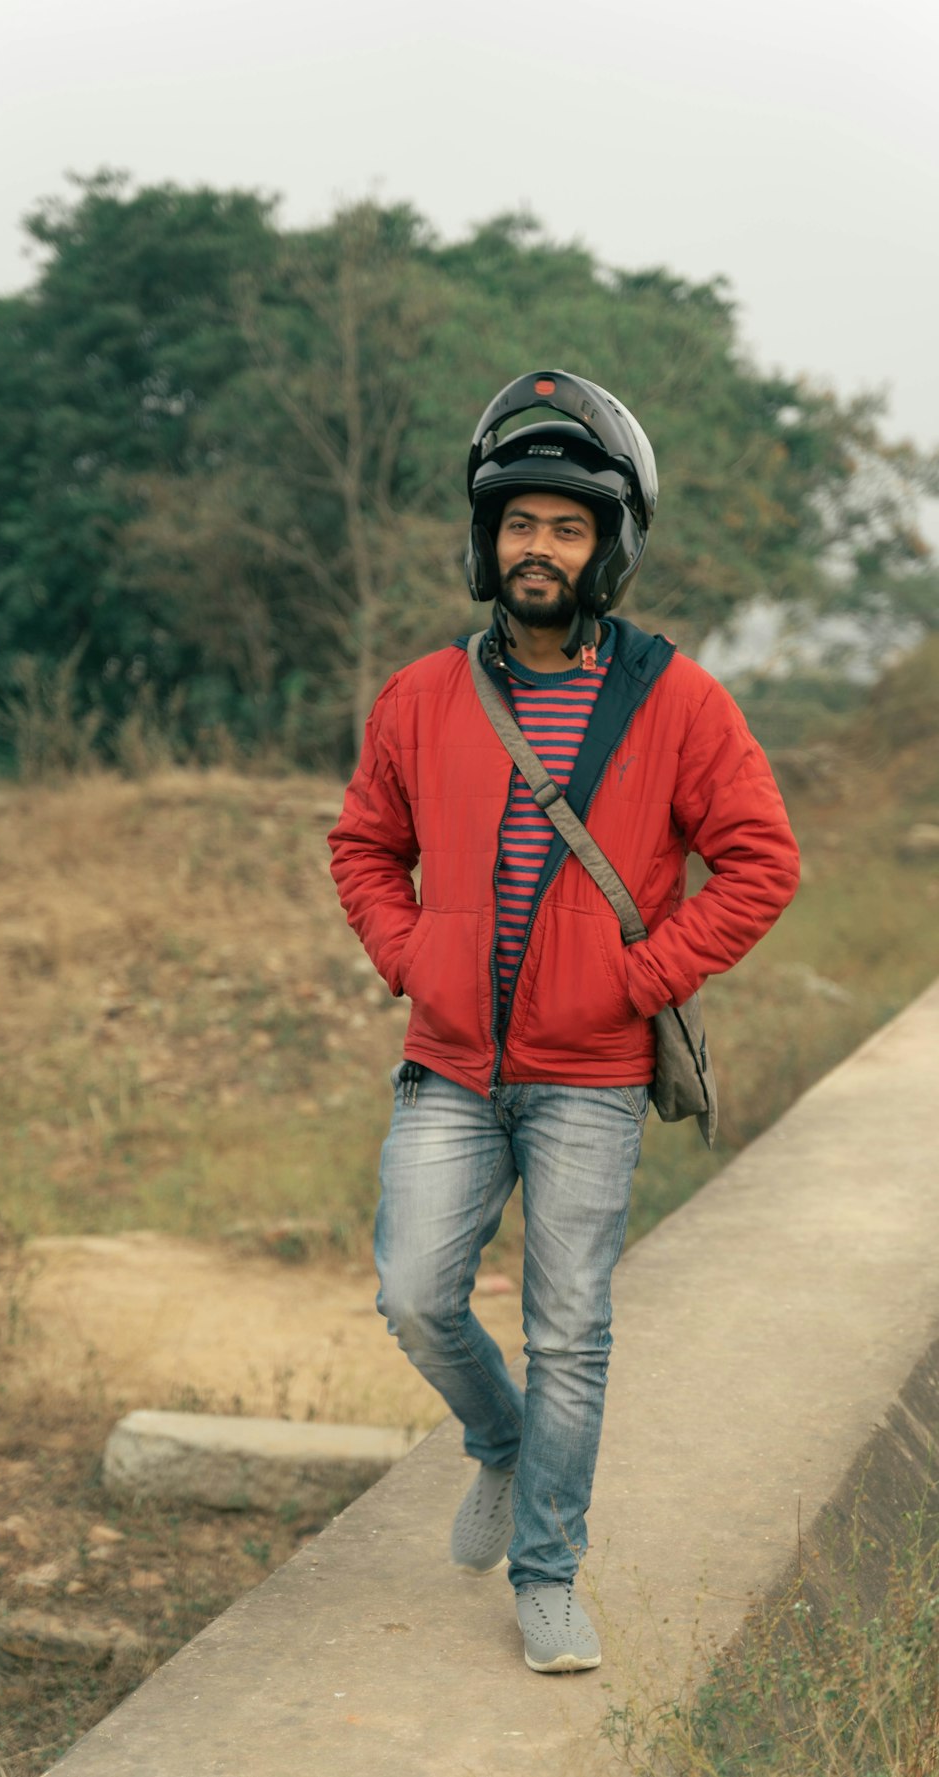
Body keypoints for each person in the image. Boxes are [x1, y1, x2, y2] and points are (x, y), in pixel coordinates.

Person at [327, 369, 800, 1674]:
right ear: (487, 542)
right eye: (519, 522)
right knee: (416, 1293)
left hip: (591, 1076)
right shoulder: (423, 696)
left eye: (568, 524)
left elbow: (761, 861)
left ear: (611, 546)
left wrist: (637, 981)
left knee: (572, 1326)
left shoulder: (679, 700)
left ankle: (547, 1571)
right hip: (447, 1065)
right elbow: (365, 844)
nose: (540, 546)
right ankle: (497, 1442)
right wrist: (413, 954)